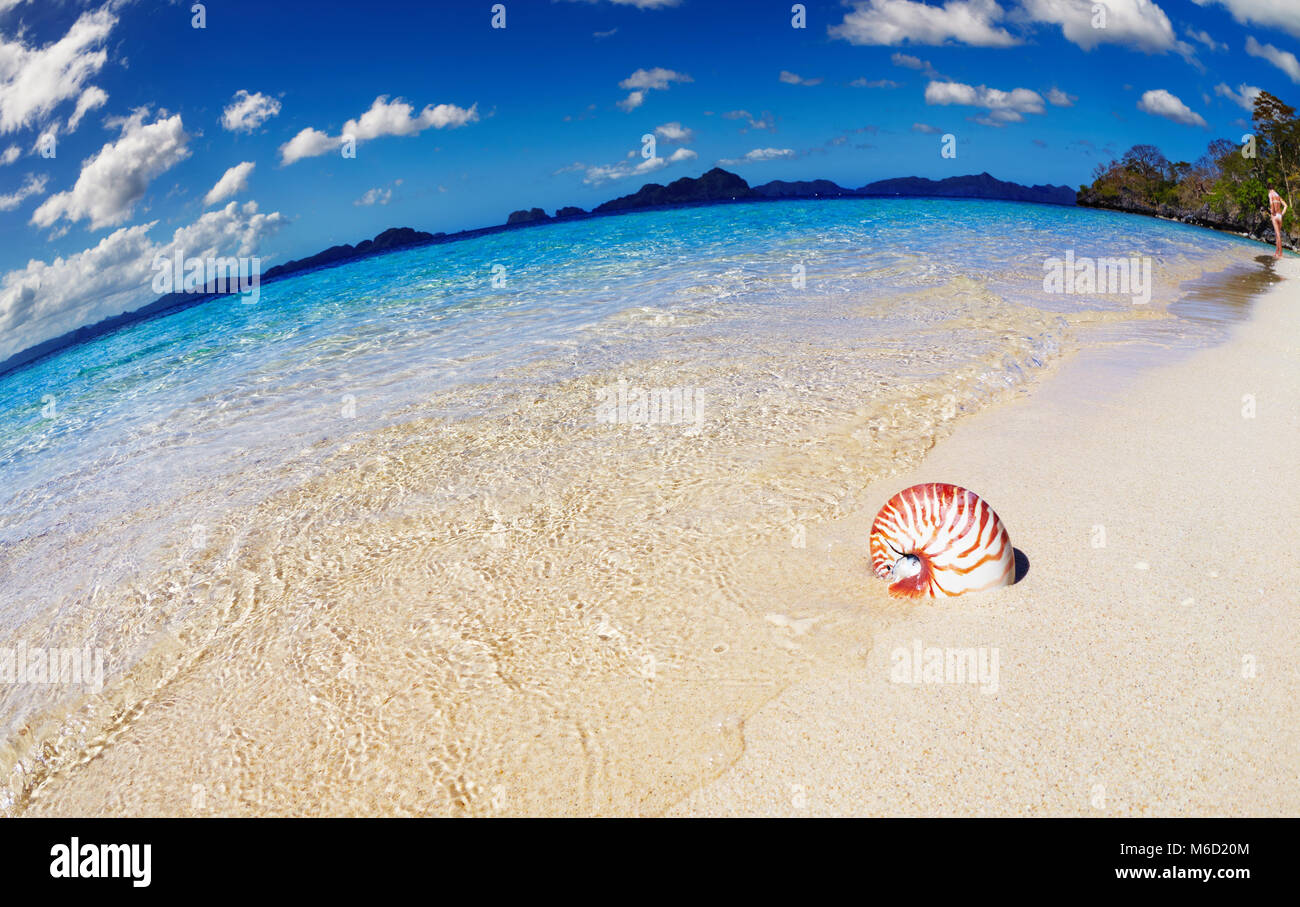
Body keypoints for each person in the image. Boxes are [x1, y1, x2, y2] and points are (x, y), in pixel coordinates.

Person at [1268, 188, 1289, 258]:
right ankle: (1277, 252)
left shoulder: (1270, 194)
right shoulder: (1278, 196)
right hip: (1280, 216)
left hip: (1275, 215)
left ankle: (1281, 253)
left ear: (1269, 189)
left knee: (1278, 234)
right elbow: (1286, 206)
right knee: (1278, 235)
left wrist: (1272, 212)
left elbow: (1271, 203)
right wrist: (1282, 214)